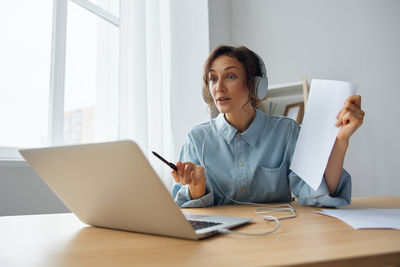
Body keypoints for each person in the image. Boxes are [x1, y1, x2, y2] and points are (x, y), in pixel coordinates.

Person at [171, 45, 365, 208]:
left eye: (230, 76)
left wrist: (341, 140)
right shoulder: (196, 139)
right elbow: (185, 211)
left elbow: (318, 195)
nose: (219, 87)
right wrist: (197, 186)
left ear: (256, 85)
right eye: (213, 79)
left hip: (279, 239)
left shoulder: (286, 133)